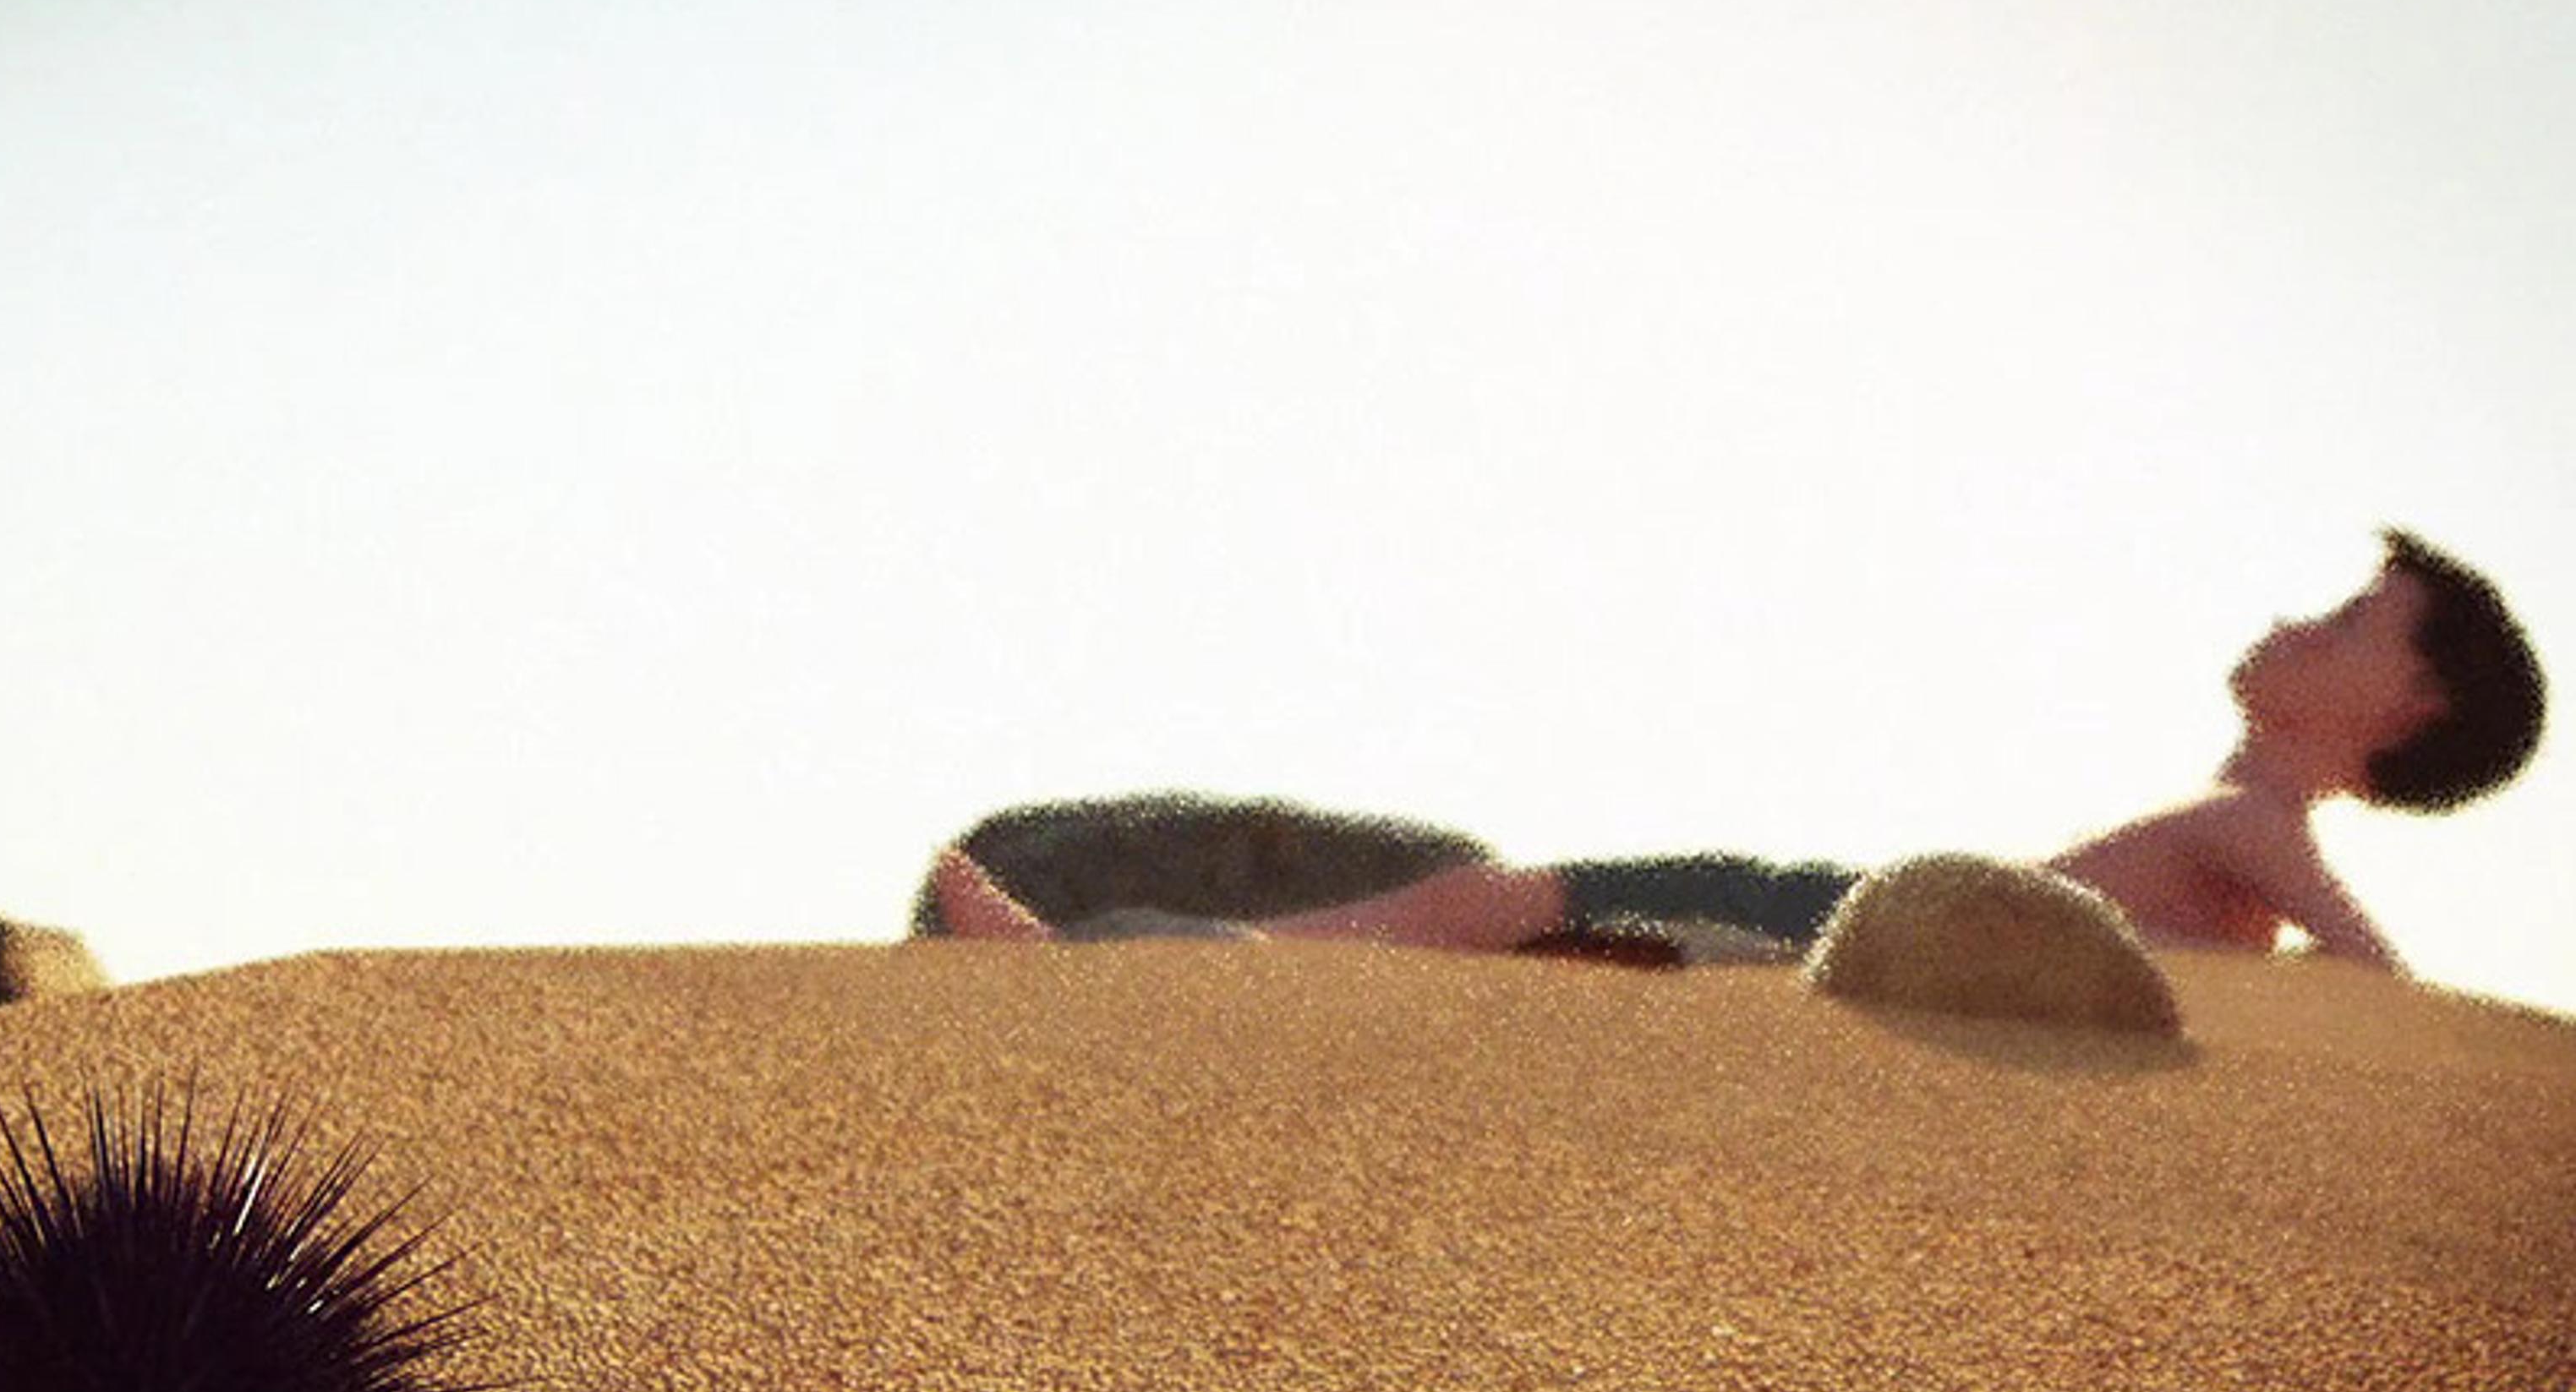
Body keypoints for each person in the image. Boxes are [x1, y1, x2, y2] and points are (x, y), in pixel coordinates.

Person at [928, 529, 2546, 975]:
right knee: (1487, 932)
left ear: (2406, 715)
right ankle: (1122, 965)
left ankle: (1100, 972)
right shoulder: (2236, 834)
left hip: (1825, 927)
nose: (2305, 622)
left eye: (2354, 620)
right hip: (1837, 923)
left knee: (1483, 911)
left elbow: (2368, 989)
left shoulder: (2260, 832)